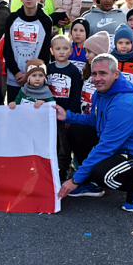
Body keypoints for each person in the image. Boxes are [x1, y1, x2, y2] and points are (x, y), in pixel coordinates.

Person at [55, 54, 133, 213]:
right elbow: (94, 120)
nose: (97, 78)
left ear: (116, 74)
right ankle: (93, 184)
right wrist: (68, 116)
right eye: (94, 74)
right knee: (75, 129)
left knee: (101, 173)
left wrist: (75, 180)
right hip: (117, 147)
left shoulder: (123, 104)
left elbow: (105, 147)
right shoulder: (101, 93)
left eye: (103, 73)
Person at [3, 0, 53, 103]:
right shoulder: (12, 19)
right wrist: (16, 72)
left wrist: (30, 74)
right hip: (15, 78)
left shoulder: (46, 21)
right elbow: (7, 49)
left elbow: (45, 53)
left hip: (36, 80)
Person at [47, 35, 83, 182]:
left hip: (65, 114)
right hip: (49, 114)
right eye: (58, 48)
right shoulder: (47, 68)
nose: (61, 52)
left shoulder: (74, 71)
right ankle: (50, 167)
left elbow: (76, 94)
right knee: (51, 141)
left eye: (65, 48)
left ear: (70, 51)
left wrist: (71, 114)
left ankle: (64, 168)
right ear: (51, 51)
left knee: (64, 143)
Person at [78, 31, 110, 115]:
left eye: (89, 52)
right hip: (84, 116)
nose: (86, 55)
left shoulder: (108, 75)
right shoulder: (86, 70)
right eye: (86, 52)